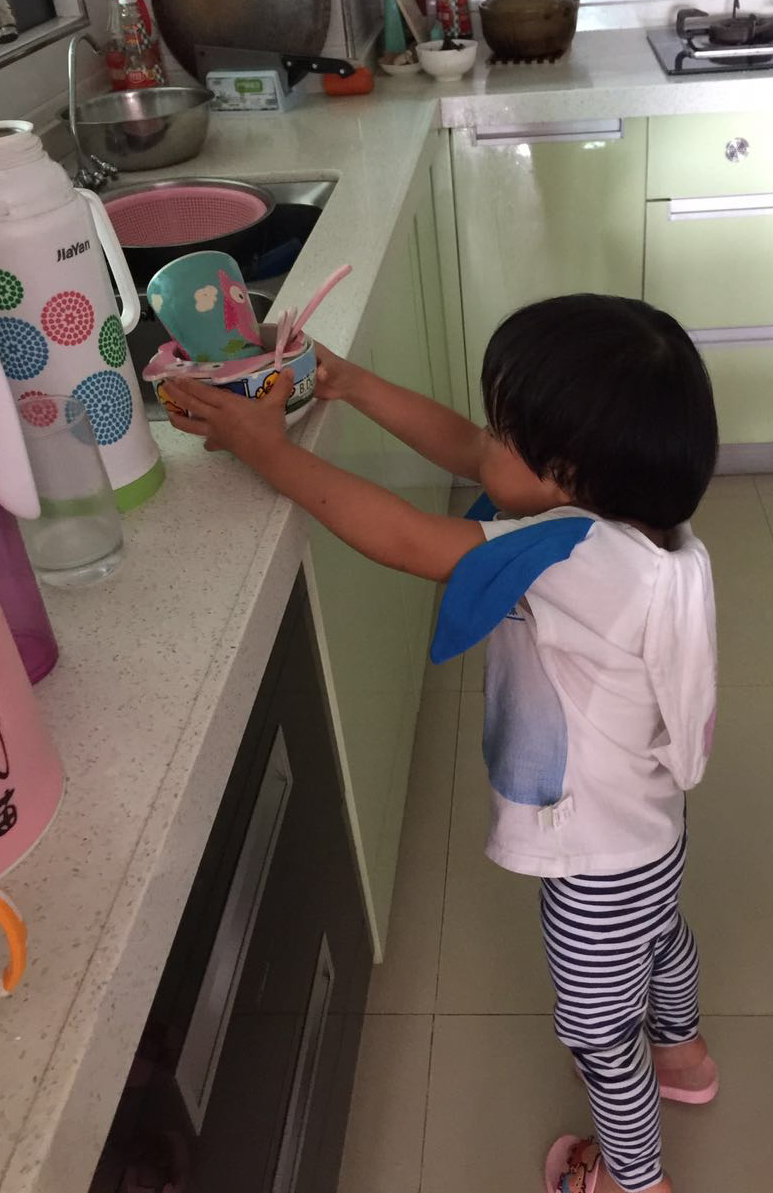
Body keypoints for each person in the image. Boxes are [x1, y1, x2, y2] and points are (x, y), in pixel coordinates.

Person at [168, 293, 720, 1193]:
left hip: (594, 860)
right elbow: (468, 449)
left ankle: (635, 1176)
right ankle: (686, 1059)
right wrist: (348, 383)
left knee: (597, 1032)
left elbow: (403, 538)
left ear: (566, 471)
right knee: (659, 939)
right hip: (651, 830)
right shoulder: (640, 530)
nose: (483, 440)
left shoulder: (574, 560)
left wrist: (267, 450)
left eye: (506, 432)